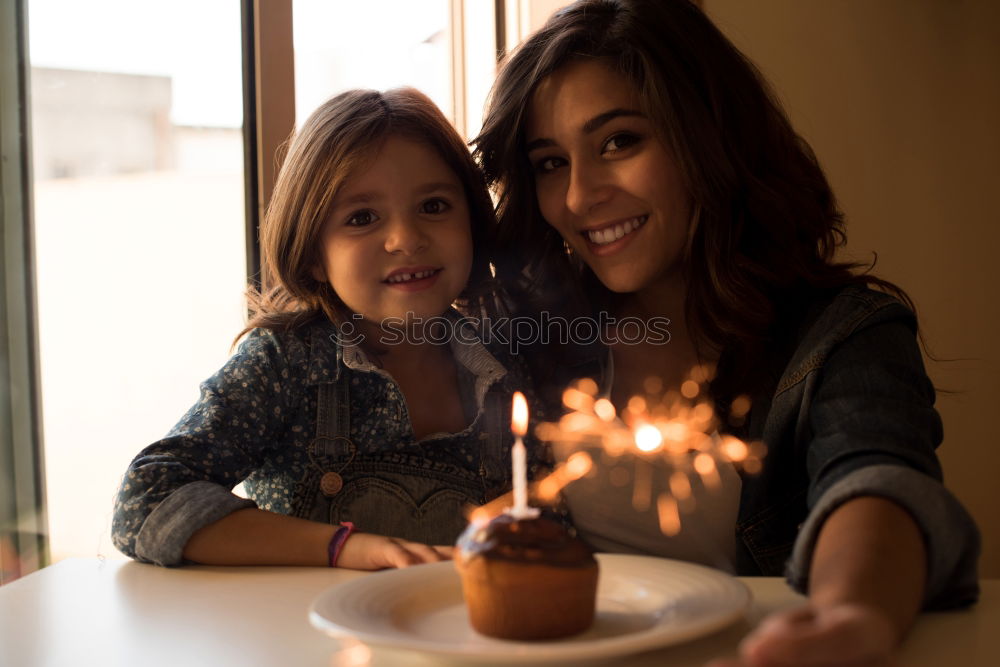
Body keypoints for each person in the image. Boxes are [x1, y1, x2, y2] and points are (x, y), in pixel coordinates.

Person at [473, 0, 980, 664]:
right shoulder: (524, 334)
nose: (578, 195)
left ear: (708, 136)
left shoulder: (840, 335)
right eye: (549, 162)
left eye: (619, 141)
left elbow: (877, 481)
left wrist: (849, 616)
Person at [112, 88, 546, 571]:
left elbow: (557, 512)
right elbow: (146, 500)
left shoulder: (505, 359)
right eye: (362, 218)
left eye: (434, 206)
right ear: (314, 254)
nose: (406, 239)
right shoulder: (285, 361)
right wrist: (346, 548)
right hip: (306, 640)